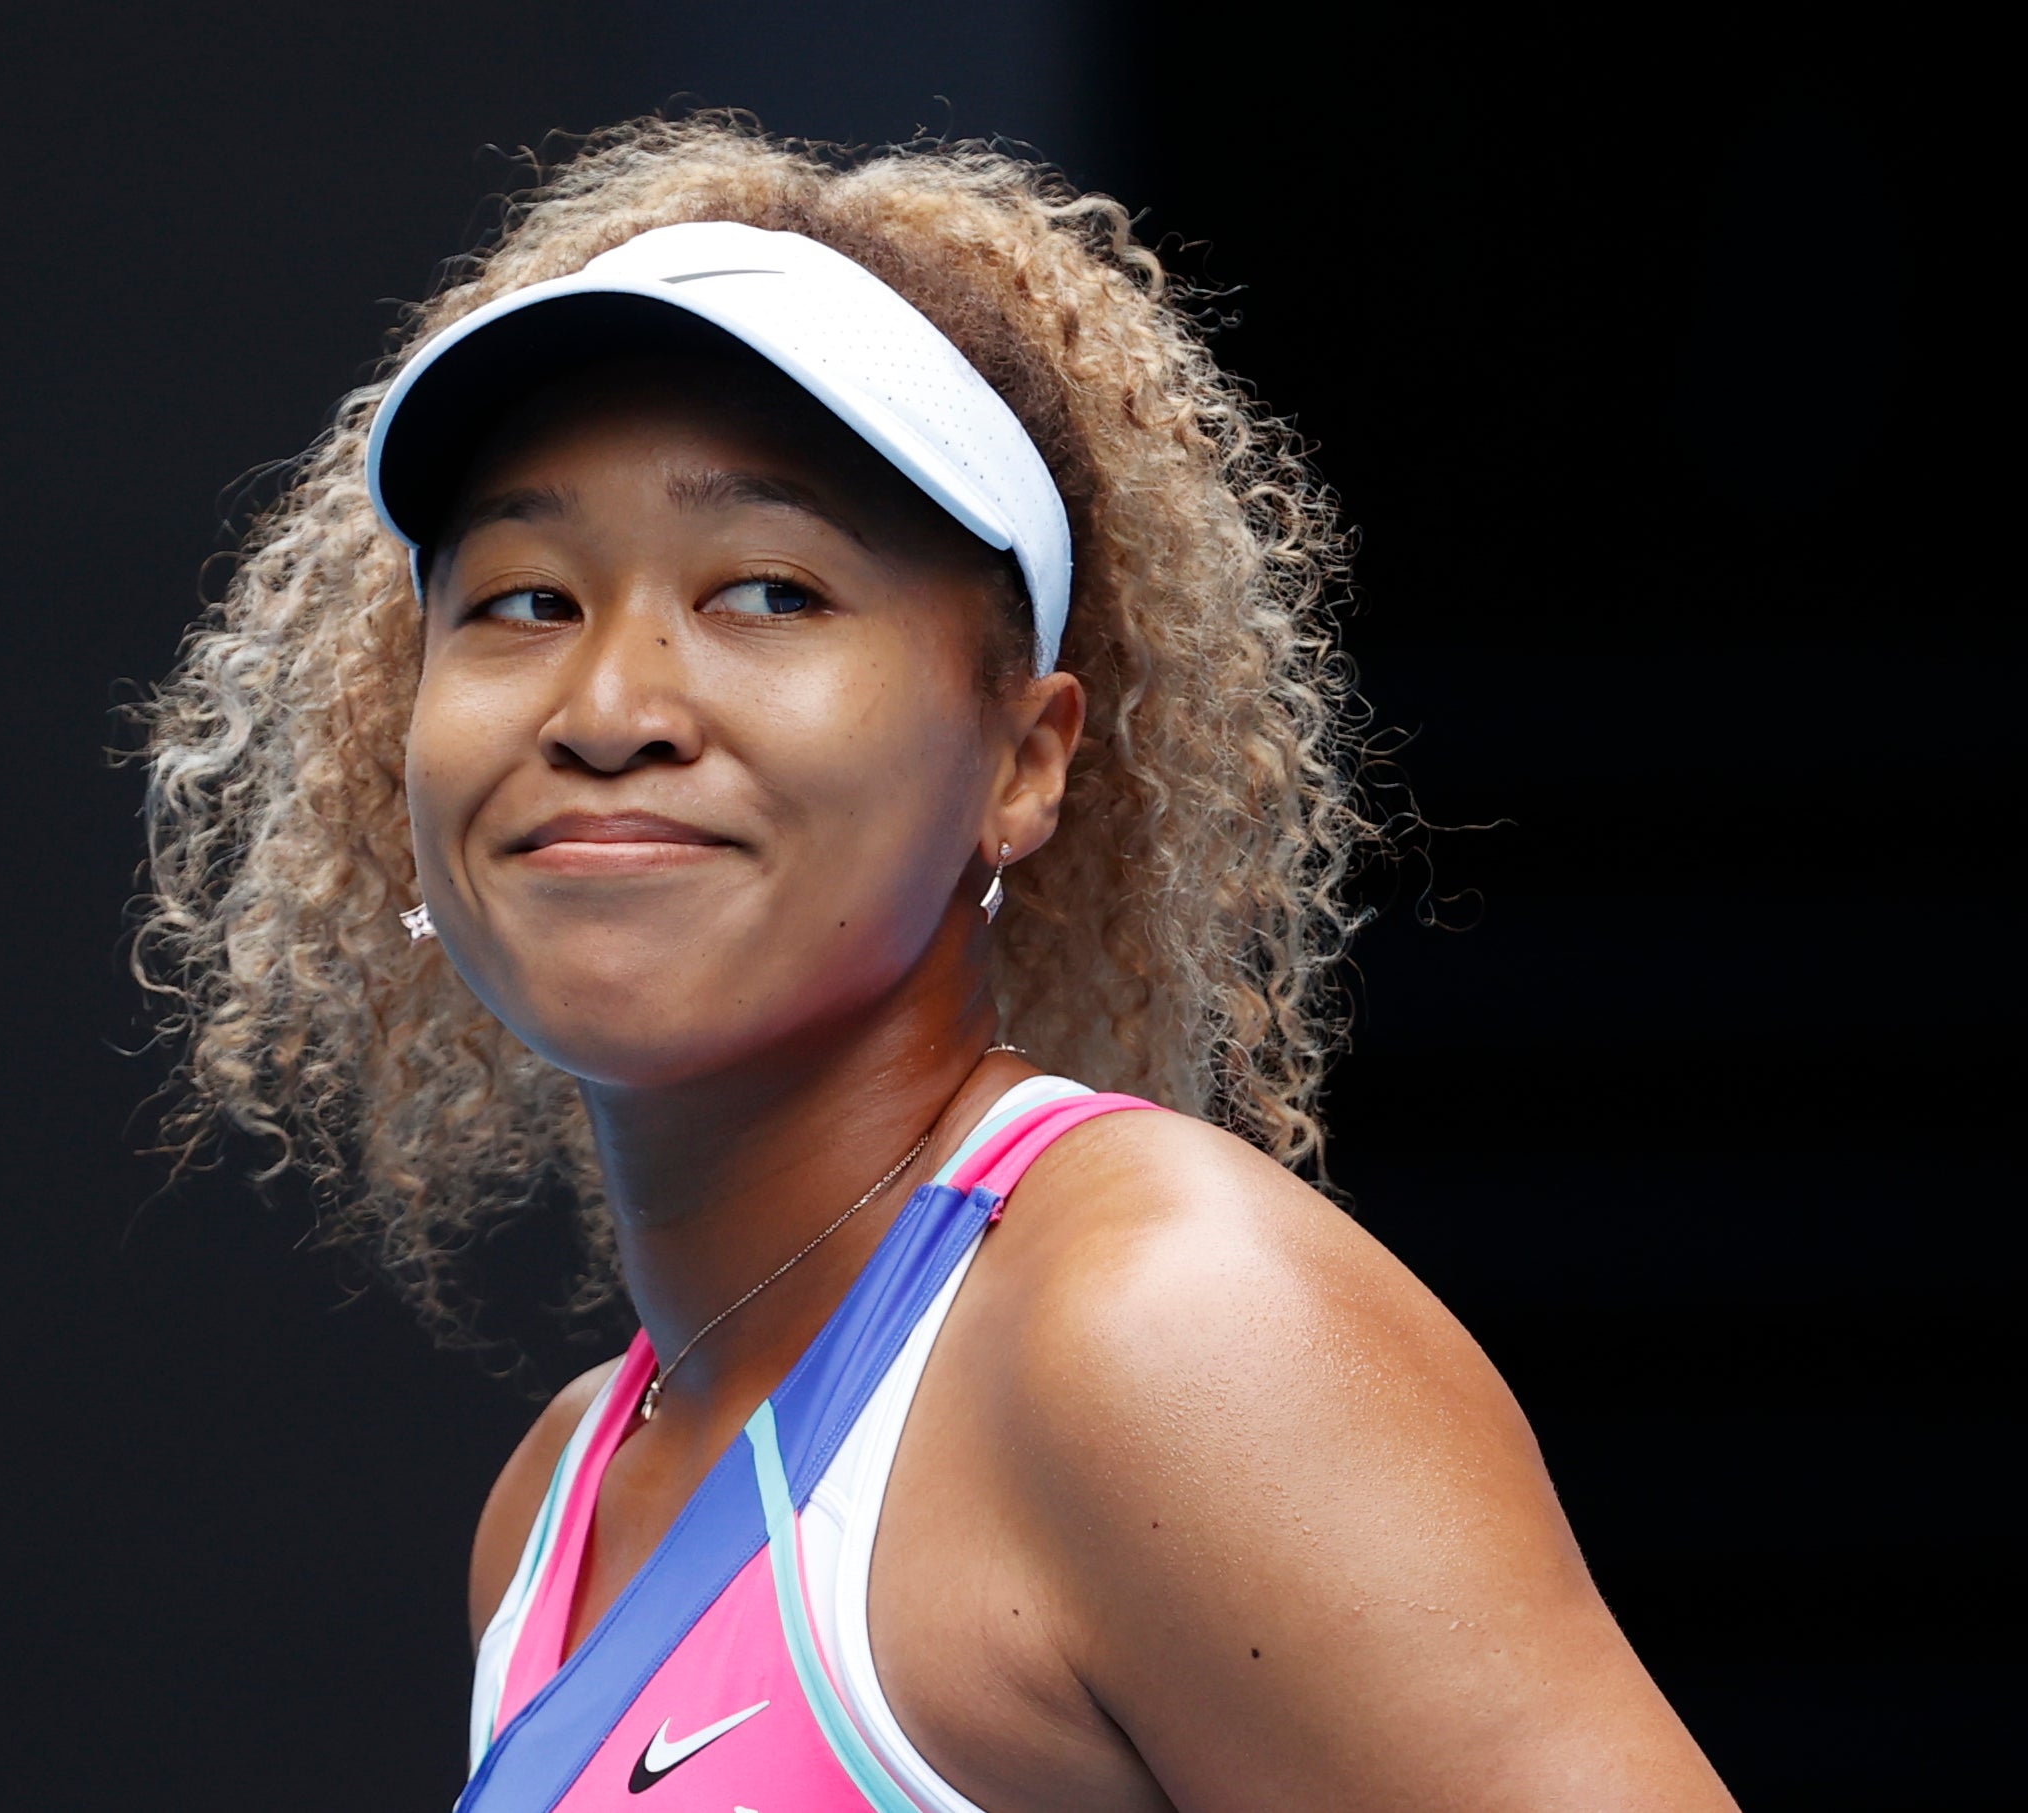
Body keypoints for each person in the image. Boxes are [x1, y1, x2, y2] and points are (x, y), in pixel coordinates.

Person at [140, 118, 1735, 1812]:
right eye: (523, 601)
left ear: (1022, 762)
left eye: (766, 589)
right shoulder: (557, 1511)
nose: (606, 710)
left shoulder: (1165, 1334)